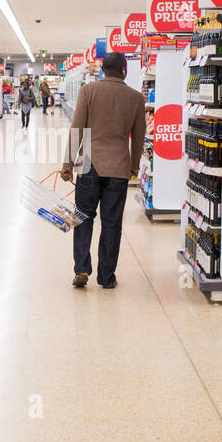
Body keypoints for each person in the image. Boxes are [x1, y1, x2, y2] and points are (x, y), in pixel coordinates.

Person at [60, 52, 145, 289]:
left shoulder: (89, 91)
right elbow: (138, 137)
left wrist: (67, 164)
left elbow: (77, 129)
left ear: (102, 69)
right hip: (118, 166)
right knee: (111, 223)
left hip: (88, 163)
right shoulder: (136, 98)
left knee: (83, 218)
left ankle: (82, 269)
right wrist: (134, 166)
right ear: (124, 70)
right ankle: (106, 277)